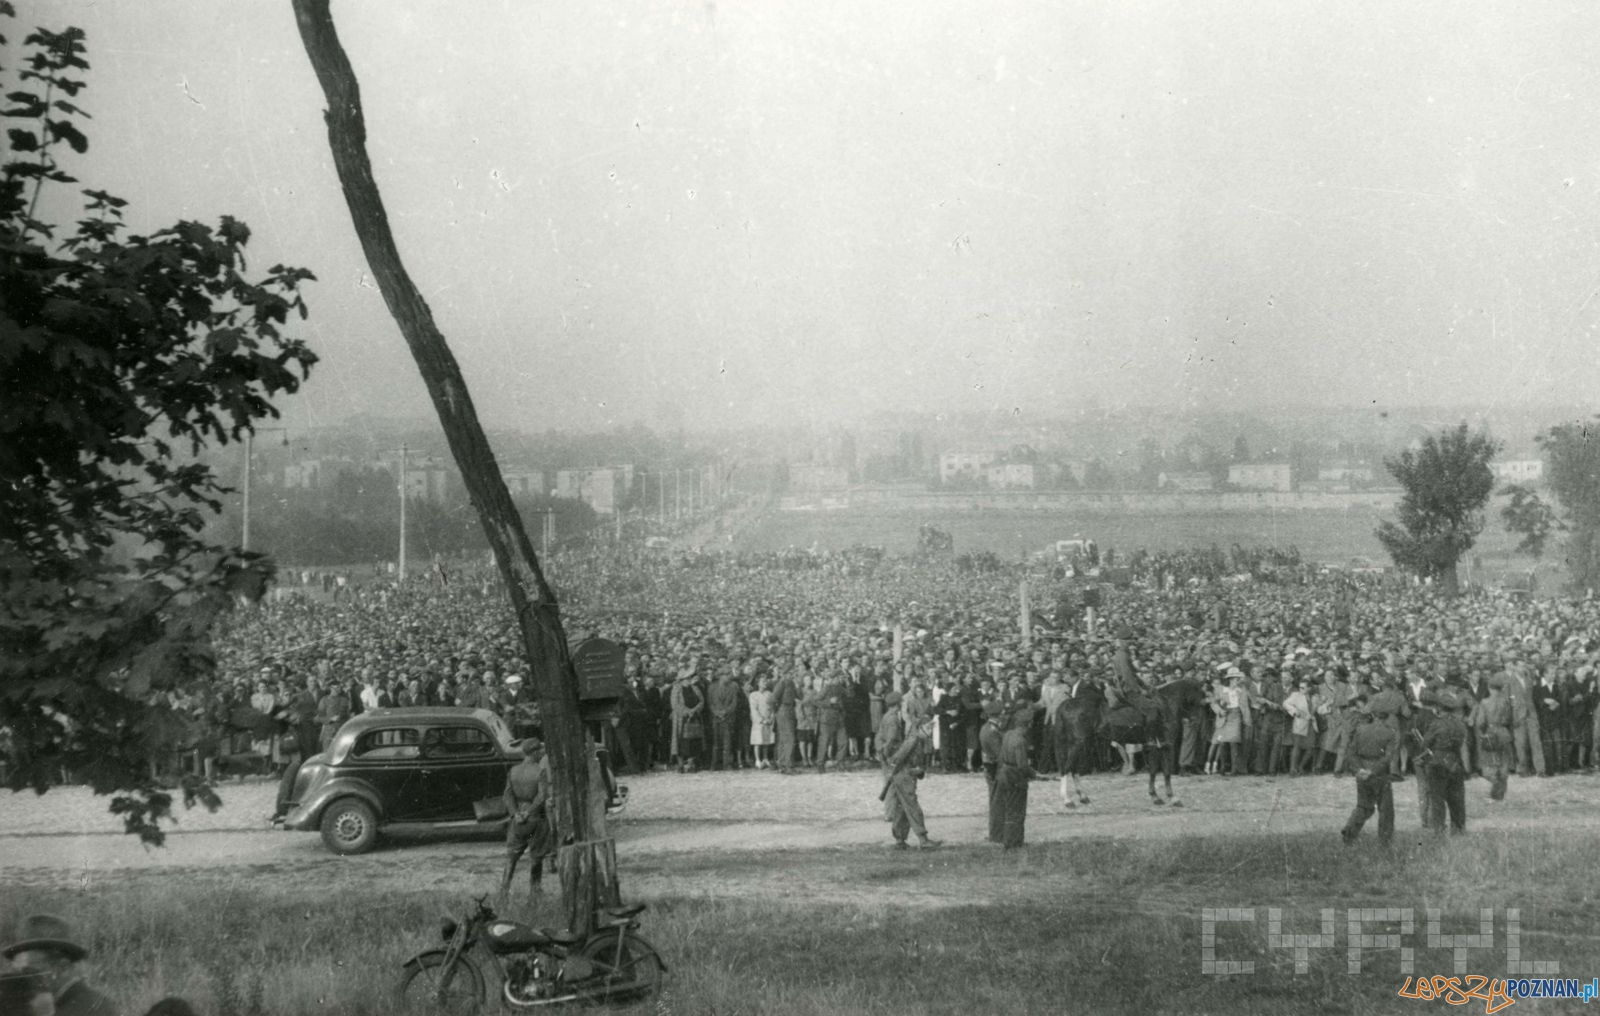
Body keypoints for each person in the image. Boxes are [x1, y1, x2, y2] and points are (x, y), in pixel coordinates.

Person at [3, 914, 120, 1016]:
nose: (20, 979)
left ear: (62, 968)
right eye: (16, 972)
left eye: (28, 971)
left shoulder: (93, 1009)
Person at [499, 738, 552, 901]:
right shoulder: (539, 771)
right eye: (540, 751)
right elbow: (542, 795)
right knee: (536, 856)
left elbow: (507, 795)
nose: (542, 753)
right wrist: (529, 812)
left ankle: (504, 890)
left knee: (512, 855)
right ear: (535, 752)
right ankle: (534, 892)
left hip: (518, 823)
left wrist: (516, 813)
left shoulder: (513, 771)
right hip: (534, 821)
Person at [879, 713, 940, 851]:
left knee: (902, 811)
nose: (930, 732)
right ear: (919, 728)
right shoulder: (912, 741)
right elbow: (895, 759)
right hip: (904, 778)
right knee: (913, 808)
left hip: (904, 778)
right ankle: (923, 840)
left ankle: (900, 840)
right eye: (928, 728)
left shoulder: (915, 740)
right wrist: (912, 770)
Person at [1340, 704, 1398, 847]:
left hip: (1362, 769)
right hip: (1379, 773)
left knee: (1363, 805)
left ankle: (1349, 832)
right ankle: (1385, 841)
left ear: (1373, 716)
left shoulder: (1361, 730)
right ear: (1387, 718)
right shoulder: (1390, 733)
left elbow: (1351, 752)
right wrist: (1373, 771)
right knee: (1385, 809)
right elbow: (1388, 757)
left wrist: (1359, 769)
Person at [1418, 688, 1469, 834]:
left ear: (1440, 708)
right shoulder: (1460, 724)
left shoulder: (1437, 724)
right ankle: (1458, 828)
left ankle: (1439, 829)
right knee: (1457, 798)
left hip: (1437, 762)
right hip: (1455, 761)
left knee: (1437, 799)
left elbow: (1425, 743)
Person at [995, 703, 1036, 849]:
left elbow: (1001, 756)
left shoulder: (1008, 734)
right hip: (1016, 778)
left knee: (1008, 809)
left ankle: (1009, 841)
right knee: (1017, 811)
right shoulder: (1020, 740)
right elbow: (1023, 766)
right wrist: (1034, 774)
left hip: (1004, 774)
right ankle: (1014, 844)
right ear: (1029, 724)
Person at [1474, 674, 1515, 802]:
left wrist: (1481, 732)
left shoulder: (1485, 702)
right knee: (1504, 763)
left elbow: (1480, 722)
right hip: (1503, 732)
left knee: (1490, 763)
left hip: (1490, 733)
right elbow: (1509, 719)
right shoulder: (1506, 701)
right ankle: (1500, 794)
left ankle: (1495, 788)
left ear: (1490, 688)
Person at [978, 701, 1005, 843]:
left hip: (991, 767)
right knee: (996, 802)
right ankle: (996, 835)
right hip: (994, 768)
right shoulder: (992, 731)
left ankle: (996, 833)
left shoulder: (988, 727)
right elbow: (999, 753)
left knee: (996, 800)